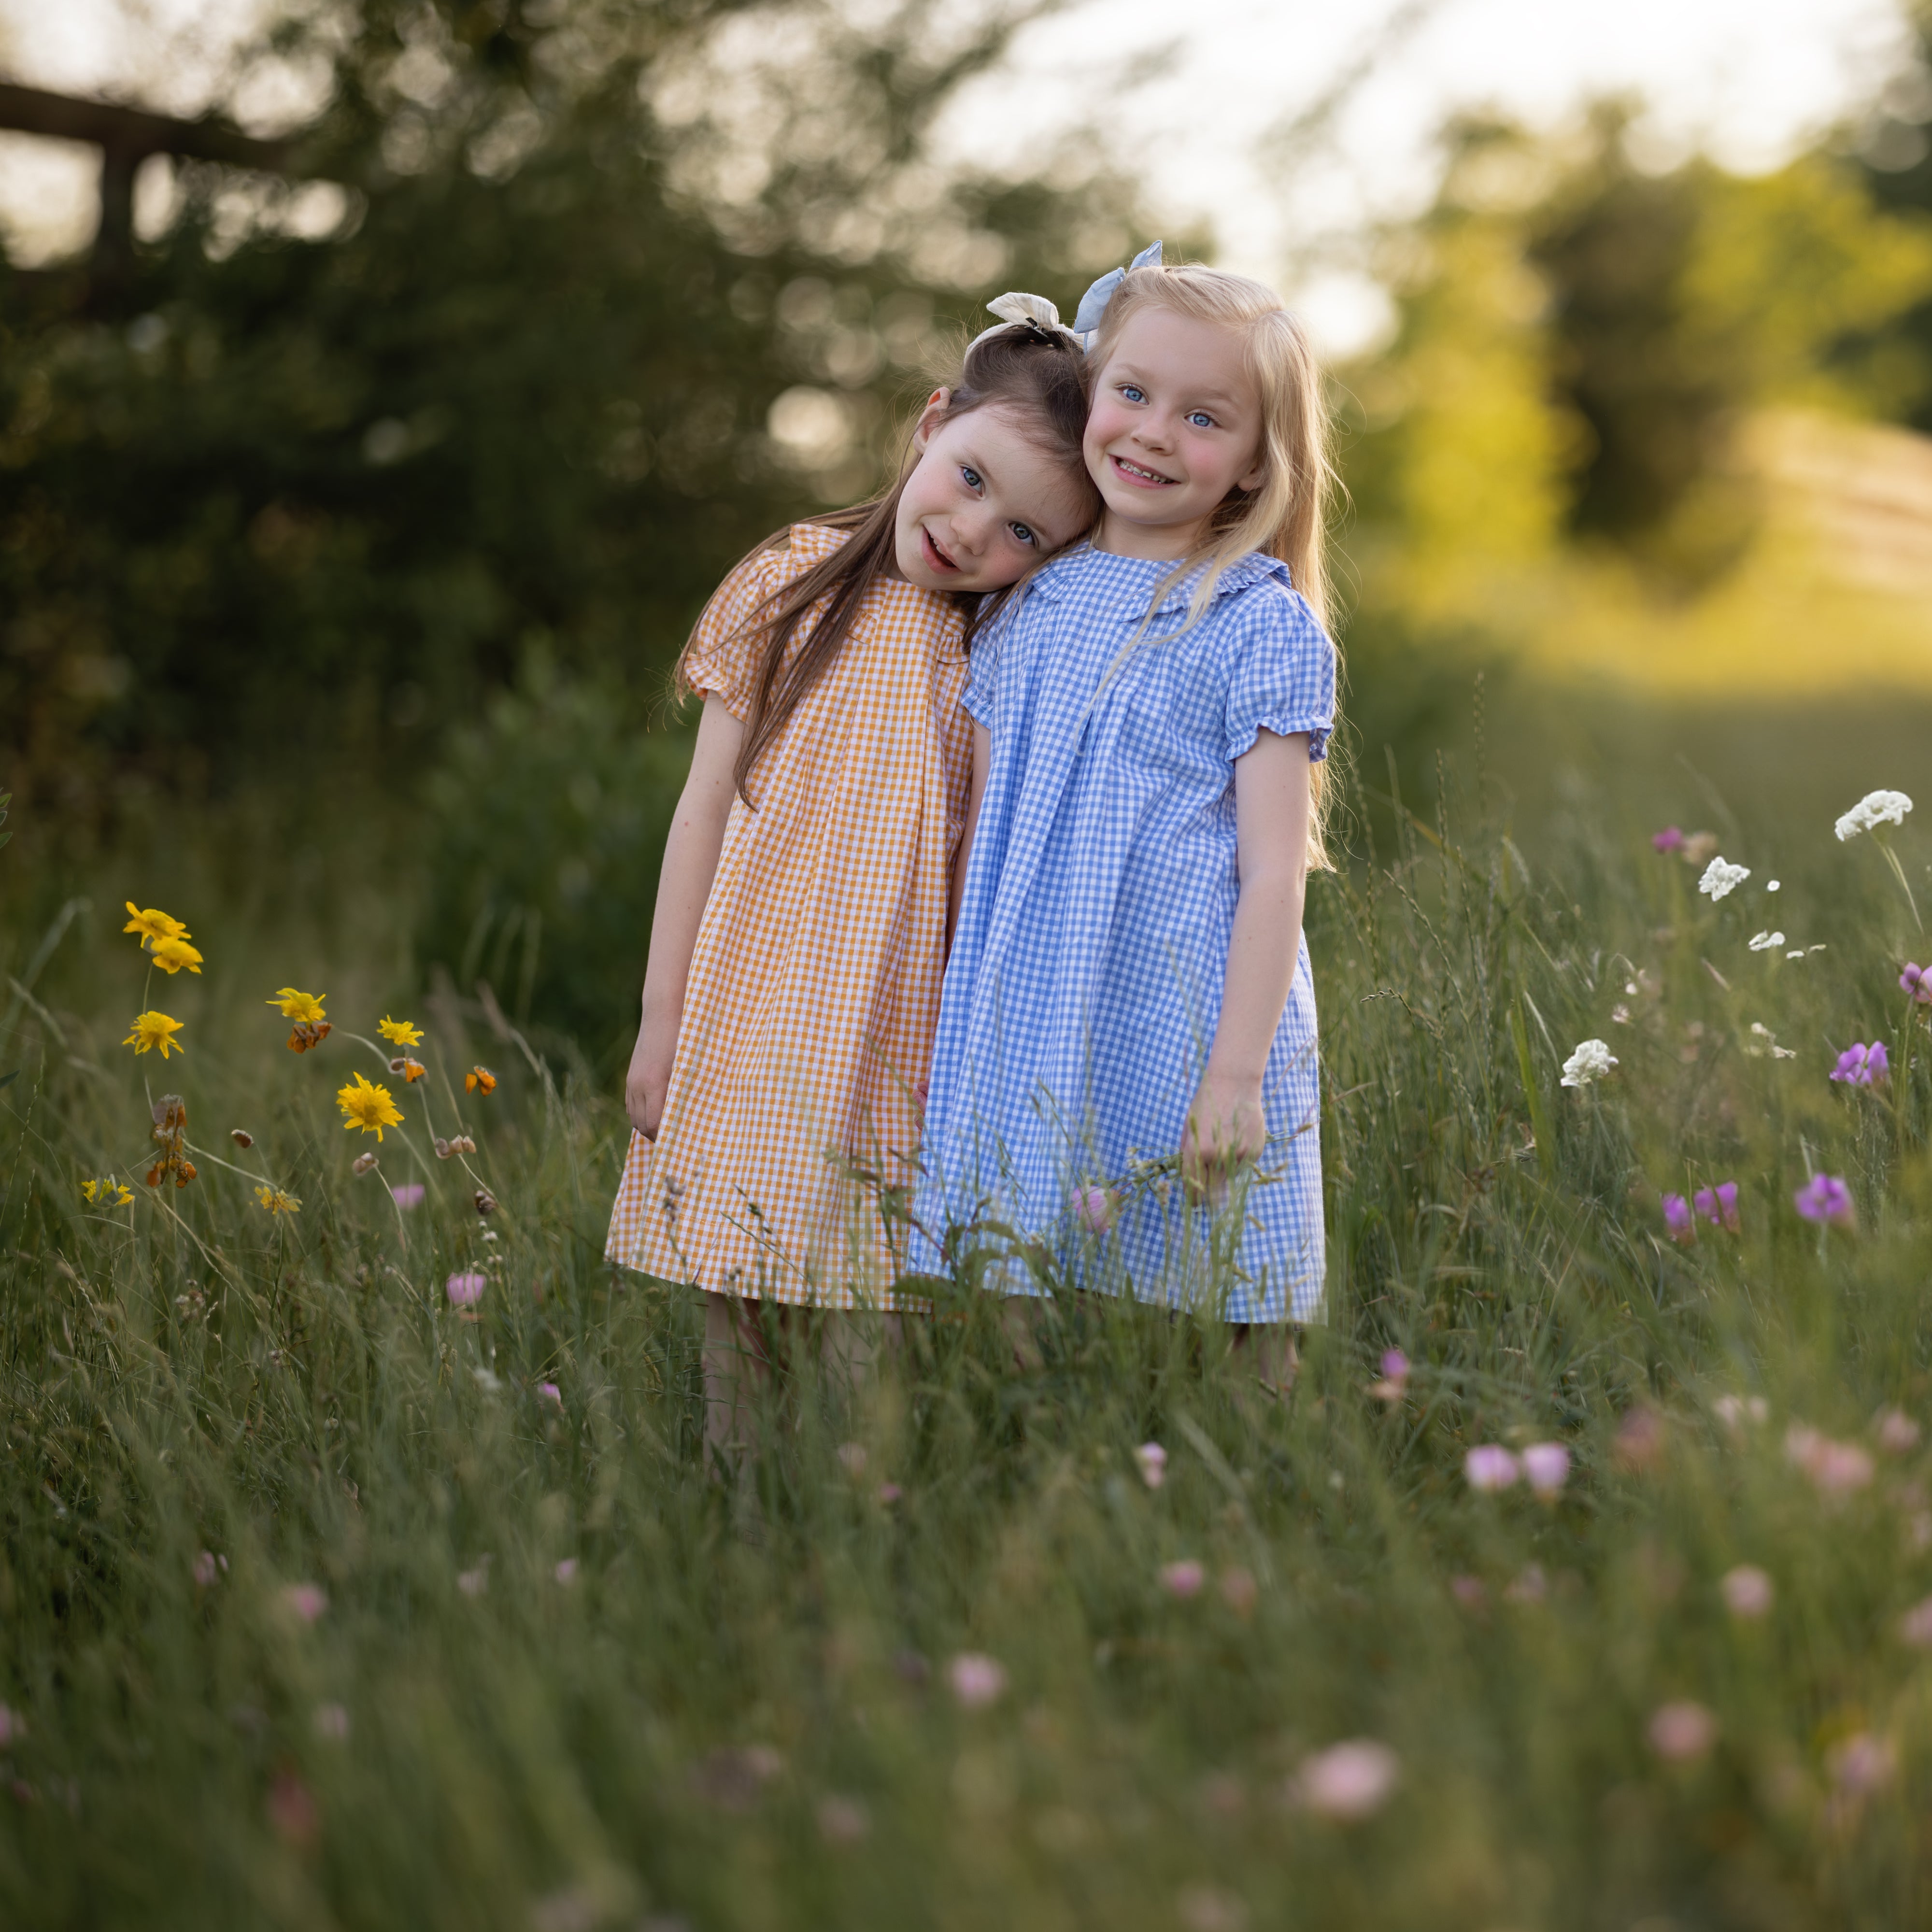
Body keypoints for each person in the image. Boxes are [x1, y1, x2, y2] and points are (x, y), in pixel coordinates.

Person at [606, 303, 1099, 1463]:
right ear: (931, 423)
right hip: (756, 988)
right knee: (734, 1270)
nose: (975, 529)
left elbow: (984, 859)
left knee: (863, 1297)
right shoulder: (794, 583)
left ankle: (844, 1517)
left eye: (1023, 529)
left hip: (898, 1019)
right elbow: (701, 810)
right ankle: (737, 1503)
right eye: (969, 477)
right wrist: (660, 1014)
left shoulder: (1001, 645)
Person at [911, 248, 1339, 1392]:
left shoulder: (1256, 624)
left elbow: (1273, 875)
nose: (1152, 433)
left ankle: (1257, 1471)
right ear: (1092, 393)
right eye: (1134, 393)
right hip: (1036, 986)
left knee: (1233, 1257)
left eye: (1203, 418)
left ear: (1254, 468)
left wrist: (1237, 1074)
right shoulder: (1025, 596)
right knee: (1020, 1255)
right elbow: (982, 829)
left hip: (1189, 996)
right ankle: (1038, 1443)